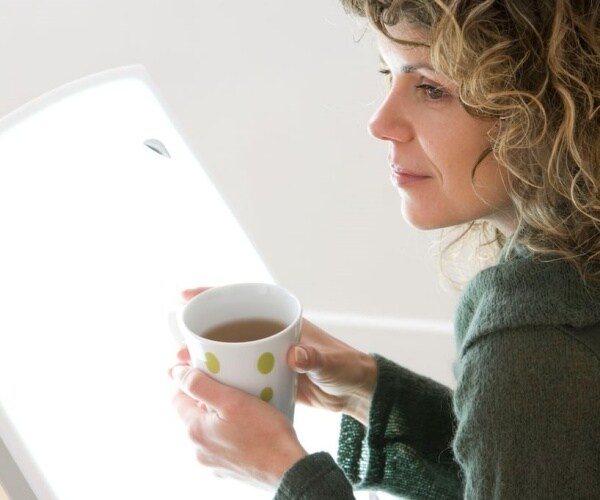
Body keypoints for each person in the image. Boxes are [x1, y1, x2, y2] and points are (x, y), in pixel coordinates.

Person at [169, 0, 600, 498]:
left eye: (432, 89)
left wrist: (289, 476)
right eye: (388, 73)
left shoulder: (535, 348)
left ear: (555, 107)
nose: (380, 121)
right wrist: (370, 394)